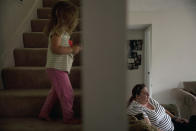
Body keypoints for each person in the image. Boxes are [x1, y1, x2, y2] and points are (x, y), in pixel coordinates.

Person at [38, 0, 81, 124]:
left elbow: (62, 48)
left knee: (55, 93)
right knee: (68, 93)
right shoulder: (58, 31)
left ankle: (43, 113)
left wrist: (72, 49)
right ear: (68, 19)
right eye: (74, 18)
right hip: (56, 68)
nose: (75, 20)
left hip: (58, 68)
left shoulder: (64, 33)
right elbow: (55, 48)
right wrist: (72, 49)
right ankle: (68, 118)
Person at [127, 84, 196, 131]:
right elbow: (149, 127)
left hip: (173, 123)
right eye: (145, 93)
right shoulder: (137, 108)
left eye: (147, 92)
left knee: (193, 120)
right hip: (170, 129)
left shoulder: (149, 99)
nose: (148, 94)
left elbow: (162, 109)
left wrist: (175, 118)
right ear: (137, 96)